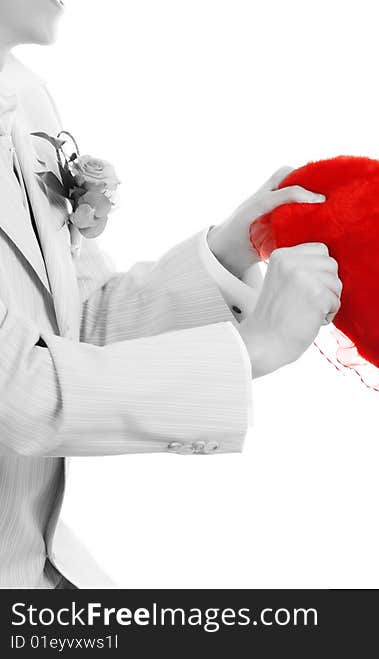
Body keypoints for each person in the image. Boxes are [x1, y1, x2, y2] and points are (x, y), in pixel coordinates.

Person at [0, 0, 342, 588]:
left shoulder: (22, 97)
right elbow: (18, 392)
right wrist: (253, 350)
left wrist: (228, 252)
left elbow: (70, 327)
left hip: (33, 563)